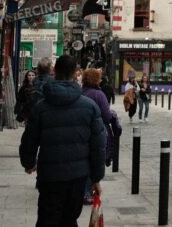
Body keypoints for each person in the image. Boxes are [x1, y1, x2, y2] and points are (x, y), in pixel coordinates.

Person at [19, 55, 106, 226]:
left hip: (49, 175)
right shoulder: (90, 107)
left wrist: (28, 162)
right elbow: (98, 146)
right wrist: (96, 178)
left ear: (55, 72)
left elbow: (29, 139)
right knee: (69, 219)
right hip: (77, 176)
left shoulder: (41, 107)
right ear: (75, 74)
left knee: (47, 219)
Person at [80, 69, 116, 205]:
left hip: (81, 132)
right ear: (96, 80)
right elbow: (106, 116)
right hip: (95, 132)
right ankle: (87, 192)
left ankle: (83, 190)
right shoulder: (99, 95)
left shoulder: (80, 92)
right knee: (93, 161)